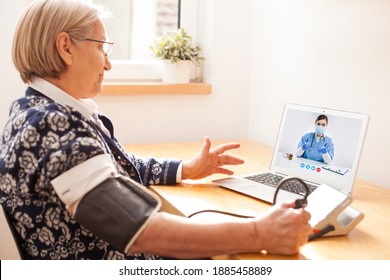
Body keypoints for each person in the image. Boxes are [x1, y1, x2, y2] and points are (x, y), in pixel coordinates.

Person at [0, 0, 311, 260]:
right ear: (66, 47)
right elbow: (139, 231)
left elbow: (113, 169)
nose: (108, 65)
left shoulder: (31, 111)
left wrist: (184, 168)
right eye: (102, 48)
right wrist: (260, 232)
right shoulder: (50, 126)